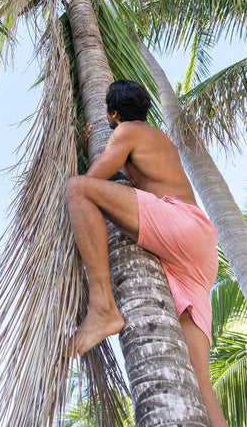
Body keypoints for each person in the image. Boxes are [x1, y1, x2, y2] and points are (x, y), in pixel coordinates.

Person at [65, 79, 227, 427]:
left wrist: (84, 148)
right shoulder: (158, 138)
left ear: (113, 113)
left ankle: (104, 307)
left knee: (77, 189)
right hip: (197, 250)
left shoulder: (125, 131)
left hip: (180, 225)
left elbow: (94, 182)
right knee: (201, 382)